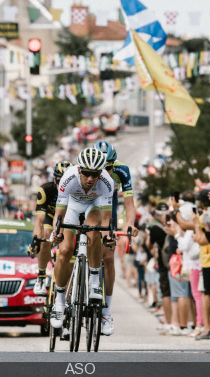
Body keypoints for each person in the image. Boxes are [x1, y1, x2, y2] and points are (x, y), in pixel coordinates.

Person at [49, 147, 115, 329]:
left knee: (94, 230)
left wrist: (107, 236)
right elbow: (59, 215)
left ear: (100, 173)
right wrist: (57, 232)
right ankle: (59, 302)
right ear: (79, 170)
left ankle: (95, 281)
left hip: (93, 205)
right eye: (86, 174)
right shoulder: (68, 179)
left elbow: (107, 219)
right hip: (72, 205)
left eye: (95, 175)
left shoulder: (107, 183)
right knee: (64, 250)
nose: (90, 179)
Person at [94, 140, 138, 336]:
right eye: (102, 168)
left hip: (108, 205)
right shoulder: (85, 169)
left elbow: (129, 203)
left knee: (108, 257)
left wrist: (129, 223)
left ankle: (106, 312)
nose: (106, 172)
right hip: (88, 202)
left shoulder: (122, 170)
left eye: (109, 167)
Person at [30, 160, 72, 296]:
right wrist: (36, 241)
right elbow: (39, 221)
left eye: (68, 181)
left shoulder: (77, 192)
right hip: (49, 216)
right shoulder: (45, 190)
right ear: (54, 179)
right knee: (46, 234)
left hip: (67, 217)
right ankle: (41, 276)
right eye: (60, 181)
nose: (63, 185)